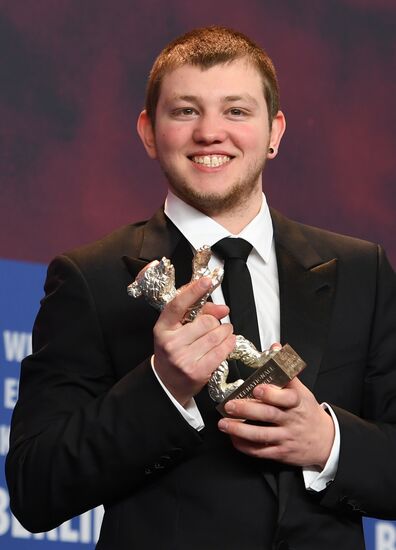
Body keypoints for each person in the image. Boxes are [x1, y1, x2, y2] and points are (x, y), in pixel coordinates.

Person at [6, 26, 396, 550]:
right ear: (149, 132)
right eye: (185, 111)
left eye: (236, 111)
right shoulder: (90, 278)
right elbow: (35, 488)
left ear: (275, 131)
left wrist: (330, 443)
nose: (211, 132)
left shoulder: (360, 271)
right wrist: (161, 386)